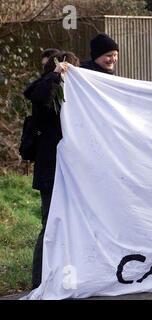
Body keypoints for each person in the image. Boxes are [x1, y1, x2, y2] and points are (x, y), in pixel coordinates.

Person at [24, 51, 79, 289]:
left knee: (72, 225)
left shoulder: (73, 94)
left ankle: (66, 278)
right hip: (51, 171)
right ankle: (39, 283)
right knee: (50, 226)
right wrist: (55, 76)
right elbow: (35, 94)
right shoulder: (47, 91)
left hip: (71, 171)